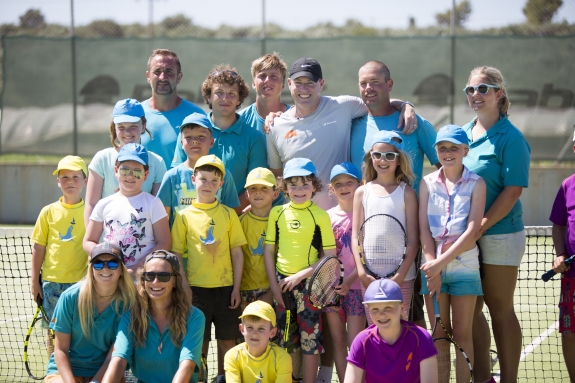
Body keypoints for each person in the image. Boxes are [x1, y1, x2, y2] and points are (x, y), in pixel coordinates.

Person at [350, 60, 440, 330]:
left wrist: (406, 105)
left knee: (412, 320)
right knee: (374, 327)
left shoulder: (415, 122)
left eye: (376, 82)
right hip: (370, 253)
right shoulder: (353, 120)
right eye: (364, 83)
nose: (369, 88)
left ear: (389, 85)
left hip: (412, 244)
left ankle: (418, 370)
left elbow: (444, 169)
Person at [266, 57, 416, 210]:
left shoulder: (343, 106)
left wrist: (405, 105)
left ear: (321, 84)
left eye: (310, 82)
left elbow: (378, 100)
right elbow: (277, 173)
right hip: (297, 221)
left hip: (339, 220)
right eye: (298, 82)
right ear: (290, 84)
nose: (304, 89)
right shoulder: (275, 125)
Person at [463, 67, 531, 383]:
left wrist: (481, 226)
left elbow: (512, 190)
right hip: (467, 237)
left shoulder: (512, 137)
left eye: (484, 89)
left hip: (501, 235)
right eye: (471, 89)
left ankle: (509, 380)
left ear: (498, 93)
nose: (476, 95)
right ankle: (482, 378)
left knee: (499, 308)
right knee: (469, 310)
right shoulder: (461, 135)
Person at [171, 154, 247, 383]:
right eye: (203, 179)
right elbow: (176, 255)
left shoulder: (227, 215)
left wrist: (236, 288)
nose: (208, 185)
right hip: (196, 290)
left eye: (214, 181)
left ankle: (224, 378)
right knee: (198, 341)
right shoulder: (183, 217)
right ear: (194, 179)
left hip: (225, 290)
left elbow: (236, 252)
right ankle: (199, 378)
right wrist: (184, 286)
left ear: (221, 184)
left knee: (227, 340)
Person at [419, 124, 486, 382]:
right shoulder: (426, 183)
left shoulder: (477, 183)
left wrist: (440, 264)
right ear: (436, 151)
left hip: (465, 265)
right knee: (438, 335)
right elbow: (423, 228)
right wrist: (431, 265)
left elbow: (472, 231)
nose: (448, 153)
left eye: (454, 148)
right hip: (431, 263)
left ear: (465, 150)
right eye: (442, 148)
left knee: (462, 335)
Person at [263, 157, 336, 383]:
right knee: (284, 340)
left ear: (314, 186)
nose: (299, 189)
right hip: (281, 286)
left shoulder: (321, 215)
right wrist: (275, 286)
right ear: (284, 187)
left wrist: (299, 276)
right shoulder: (277, 213)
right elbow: (268, 252)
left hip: (309, 287)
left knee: (310, 342)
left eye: (305, 184)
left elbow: (329, 256)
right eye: (293, 184)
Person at [172, 65, 268, 212]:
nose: (225, 98)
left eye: (231, 93)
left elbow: (255, 185)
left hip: (236, 220)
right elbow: (179, 177)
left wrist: (225, 216)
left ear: (239, 99)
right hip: (191, 219)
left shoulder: (254, 138)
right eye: (219, 92)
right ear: (209, 97)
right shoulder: (189, 133)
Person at [103, 251, 205, 383]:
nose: (155, 282)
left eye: (163, 276)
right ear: (143, 280)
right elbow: (118, 361)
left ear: (175, 281)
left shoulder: (194, 317)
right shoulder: (130, 317)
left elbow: (187, 365)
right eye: (149, 276)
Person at [44, 242, 136, 383]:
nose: (105, 268)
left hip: (106, 371)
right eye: (98, 264)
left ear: (122, 269)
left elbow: (114, 355)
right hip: (65, 373)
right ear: (91, 269)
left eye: (112, 264)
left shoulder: (129, 303)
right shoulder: (70, 297)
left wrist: (96, 381)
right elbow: (60, 349)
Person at [351, 131, 419, 322]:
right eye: (377, 155)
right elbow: (356, 236)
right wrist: (362, 272)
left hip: (402, 278)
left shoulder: (408, 193)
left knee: (399, 327)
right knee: (375, 328)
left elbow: (413, 240)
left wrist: (400, 275)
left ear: (399, 160)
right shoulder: (362, 192)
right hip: (369, 275)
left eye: (390, 155)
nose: (383, 160)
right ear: (370, 157)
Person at [83, 143, 171, 276]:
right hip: (110, 275)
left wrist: (138, 267)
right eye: (125, 170)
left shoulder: (153, 203)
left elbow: (164, 242)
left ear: (146, 175)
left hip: (142, 276)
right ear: (116, 170)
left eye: (137, 172)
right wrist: (105, 260)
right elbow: (88, 241)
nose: (130, 176)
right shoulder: (104, 204)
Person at [31, 155, 88, 351]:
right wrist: (34, 282)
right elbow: (38, 248)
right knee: (54, 333)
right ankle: (54, 374)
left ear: (85, 180)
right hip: (51, 283)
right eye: (64, 177)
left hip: (82, 283)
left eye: (75, 177)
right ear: (58, 181)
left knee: (80, 332)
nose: (70, 182)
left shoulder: (92, 212)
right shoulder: (47, 212)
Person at [85, 98, 167, 225]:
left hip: (143, 242)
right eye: (121, 127)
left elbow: (158, 209)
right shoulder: (101, 158)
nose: (127, 132)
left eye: (133, 126)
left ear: (143, 126)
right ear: (114, 127)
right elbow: (91, 204)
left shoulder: (157, 162)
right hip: (106, 242)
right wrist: (92, 240)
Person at [343, 279, 438, 383]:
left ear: (402, 307)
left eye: (388, 307)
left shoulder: (421, 338)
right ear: (368, 310)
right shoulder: (361, 341)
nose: (382, 314)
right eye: (375, 309)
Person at [157, 112, 240, 227]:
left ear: (211, 142)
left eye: (201, 136)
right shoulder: (171, 176)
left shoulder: (224, 174)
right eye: (188, 137)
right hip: (179, 244)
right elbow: (162, 219)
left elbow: (231, 214)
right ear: (181, 143)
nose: (195, 141)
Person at [324, 162, 366, 382]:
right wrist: (332, 284)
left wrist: (349, 281)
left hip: (357, 288)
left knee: (355, 343)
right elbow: (325, 257)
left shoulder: (367, 215)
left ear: (360, 184)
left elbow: (367, 258)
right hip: (332, 292)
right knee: (338, 341)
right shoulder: (326, 217)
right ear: (331, 189)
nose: (344, 187)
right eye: (338, 184)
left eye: (349, 182)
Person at [140, 49, 206, 167]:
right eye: (157, 71)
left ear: (179, 77)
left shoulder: (196, 115)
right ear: (148, 76)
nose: (163, 77)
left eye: (169, 71)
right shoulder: (137, 114)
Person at [548, 126, 575, 381]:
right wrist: (560, 254)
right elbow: (558, 224)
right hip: (572, 276)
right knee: (569, 331)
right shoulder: (567, 186)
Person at [238, 168, 279, 308]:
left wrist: (274, 291)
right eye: (253, 188)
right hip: (244, 290)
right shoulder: (239, 222)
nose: (258, 192)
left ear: (275, 194)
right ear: (247, 194)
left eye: (264, 188)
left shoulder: (282, 222)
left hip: (274, 289)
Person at [224, 301, 292, 383]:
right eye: (250, 327)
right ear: (242, 329)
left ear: (272, 332)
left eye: (261, 329)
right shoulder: (232, 356)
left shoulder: (282, 358)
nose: (254, 333)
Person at [239, 53, 290, 133]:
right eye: (262, 76)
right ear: (254, 84)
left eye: (274, 76)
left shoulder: (294, 118)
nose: (267, 80)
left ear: (282, 85)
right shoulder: (240, 121)